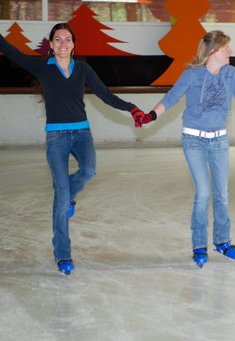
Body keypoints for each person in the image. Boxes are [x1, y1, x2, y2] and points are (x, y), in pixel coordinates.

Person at [0, 23, 145, 275]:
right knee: (60, 194)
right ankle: (63, 252)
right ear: (51, 45)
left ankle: (69, 197)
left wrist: (132, 107)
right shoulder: (41, 66)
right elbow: (12, 52)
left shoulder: (83, 69)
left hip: (82, 134)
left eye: (67, 39)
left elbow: (105, 95)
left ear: (74, 45)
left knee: (88, 171)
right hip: (56, 137)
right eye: (58, 39)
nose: (63, 44)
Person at [141, 30, 235, 268]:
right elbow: (172, 97)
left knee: (222, 194)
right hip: (193, 140)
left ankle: (222, 241)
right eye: (227, 48)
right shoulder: (191, 75)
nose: (231, 52)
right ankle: (199, 244)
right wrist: (152, 115)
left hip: (219, 141)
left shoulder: (231, 74)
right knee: (203, 193)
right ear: (213, 51)